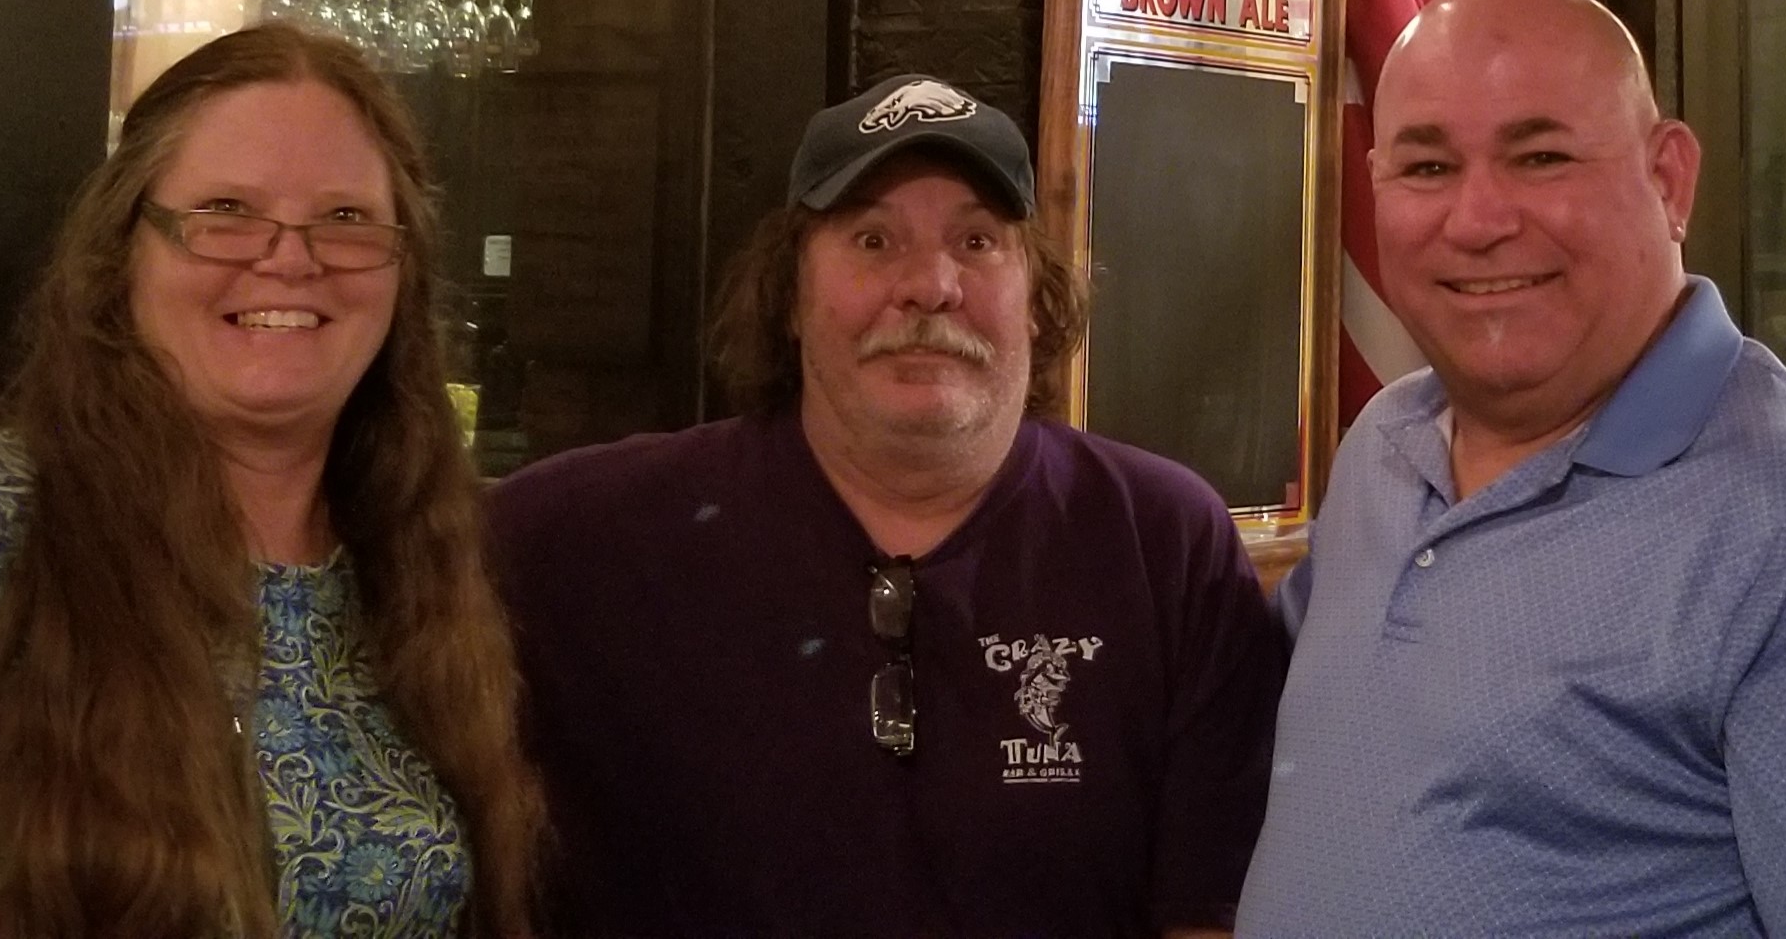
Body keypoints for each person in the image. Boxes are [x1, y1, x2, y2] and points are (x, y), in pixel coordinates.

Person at [0, 25, 543, 935]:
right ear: (123, 249)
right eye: (226, 210)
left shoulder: (417, 561)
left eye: (345, 218)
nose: (291, 258)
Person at [1236, 0, 1786, 935]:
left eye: (1541, 157)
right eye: (1427, 167)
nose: (1476, 221)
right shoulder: (1382, 450)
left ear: (1669, 180)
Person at [492, 73, 1285, 935]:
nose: (930, 285)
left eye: (977, 241)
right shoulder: (572, 540)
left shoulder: (1163, 542)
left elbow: (1208, 912)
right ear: (791, 297)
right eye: (873, 239)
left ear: (1038, 298)